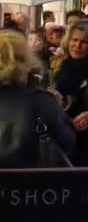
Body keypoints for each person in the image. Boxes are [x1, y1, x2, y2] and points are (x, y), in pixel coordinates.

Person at [0, 30, 76, 168]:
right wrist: (57, 109)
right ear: (24, 60)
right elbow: (68, 142)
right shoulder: (40, 100)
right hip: (30, 183)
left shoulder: (40, 99)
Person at [53, 19, 88, 166]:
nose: (77, 46)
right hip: (65, 138)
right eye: (74, 40)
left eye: (83, 42)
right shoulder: (62, 67)